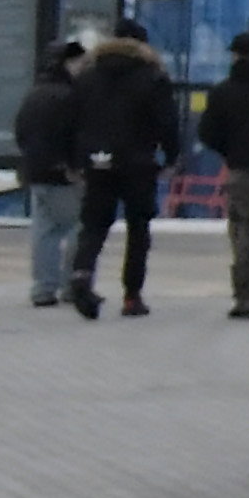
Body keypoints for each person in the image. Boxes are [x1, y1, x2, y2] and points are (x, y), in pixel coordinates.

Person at [64, 24, 184, 320]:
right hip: (138, 162)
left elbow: (71, 120)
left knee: (93, 224)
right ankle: (132, 296)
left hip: (97, 162)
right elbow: (166, 121)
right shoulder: (153, 76)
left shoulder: (88, 76)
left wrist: (74, 160)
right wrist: (171, 157)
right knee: (138, 228)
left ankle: (82, 274)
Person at [204, 25, 249, 321]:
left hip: (240, 172)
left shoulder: (222, 92)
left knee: (244, 236)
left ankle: (246, 299)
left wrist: (230, 152)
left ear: (235, 56)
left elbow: (207, 132)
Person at [10, 54, 82, 306]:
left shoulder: (35, 94)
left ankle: (43, 288)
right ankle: (73, 285)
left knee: (45, 231)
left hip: (36, 171)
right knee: (78, 225)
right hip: (63, 174)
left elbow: (20, 132)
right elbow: (73, 135)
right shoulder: (70, 97)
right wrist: (74, 165)